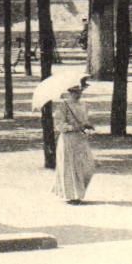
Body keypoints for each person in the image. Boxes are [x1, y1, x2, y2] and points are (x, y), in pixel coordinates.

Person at [46, 70, 97, 203]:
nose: (78, 94)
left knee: (88, 166)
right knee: (70, 167)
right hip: (68, 140)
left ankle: (78, 192)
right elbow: (59, 125)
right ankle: (72, 196)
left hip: (81, 140)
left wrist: (87, 125)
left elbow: (84, 121)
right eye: (75, 91)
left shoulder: (84, 105)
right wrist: (74, 128)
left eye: (80, 91)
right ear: (69, 92)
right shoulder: (63, 106)